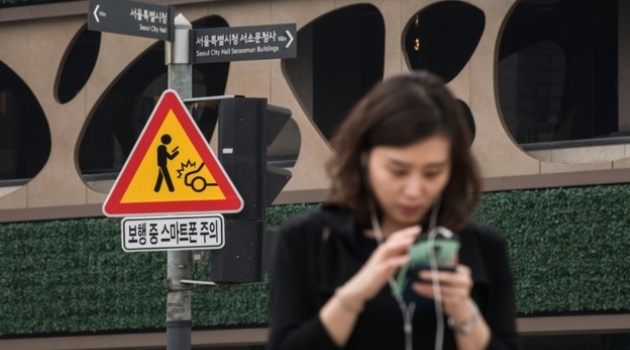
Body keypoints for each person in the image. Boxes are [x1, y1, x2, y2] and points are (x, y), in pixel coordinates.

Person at [268, 70, 523, 350]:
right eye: (398, 170)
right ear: (364, 157)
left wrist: (463, 311)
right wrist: (355, 294)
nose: (414, 190)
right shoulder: (308, 240)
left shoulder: (482, 247)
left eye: (432, 172)